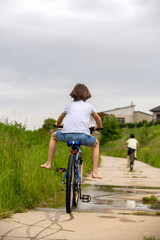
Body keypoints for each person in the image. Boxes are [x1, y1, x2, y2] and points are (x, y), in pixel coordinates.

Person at [40, 83, 103, 179]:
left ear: (74, 93)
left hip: (66, 135)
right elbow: (97, 117)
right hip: (82, 136)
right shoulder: (89, 106)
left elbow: (61, 117)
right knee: (96, 144)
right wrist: (99, 126)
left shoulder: (69, 105)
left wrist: (58, 124)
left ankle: (49, 163)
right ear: (87, 94)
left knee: (53, 136)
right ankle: (94, 172)